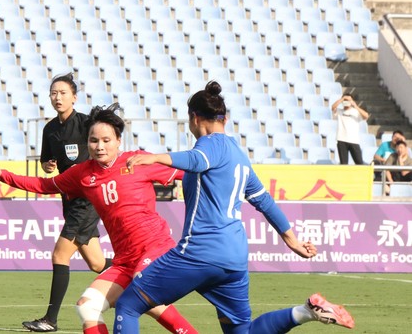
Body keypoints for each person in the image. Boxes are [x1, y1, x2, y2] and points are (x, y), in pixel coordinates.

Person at [114, 81, 355, 334]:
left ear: (194, 118)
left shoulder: (210, 144)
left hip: (200, 252)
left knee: (129, 305)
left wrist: (154, 157)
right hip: (234, 259)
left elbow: (197, 160)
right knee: (243, 332)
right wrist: (292, 241)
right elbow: (264, 201)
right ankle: (304, 312)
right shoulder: (238, 155)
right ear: (225, 119)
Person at [0, 104, 197, 334]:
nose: (99, 146)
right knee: (88, 308)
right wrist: (2, 176)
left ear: (118, 140)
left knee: (136, 297)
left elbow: (192, 173)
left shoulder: (139, 161)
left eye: (106, 140)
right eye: (93, 141)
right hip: (125, 259)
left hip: (155, 249)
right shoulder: (82, 173)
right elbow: (44, 185)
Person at [21, 73, 113, 332]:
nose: (57, 97)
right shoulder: (50, 129)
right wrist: (47, 164)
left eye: (63, 93)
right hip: (69, 201)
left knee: (60, 254)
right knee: (96, 263)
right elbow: (46, 161)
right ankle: (139, 271)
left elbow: (104, 146)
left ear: (74, 96)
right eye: (54, 93)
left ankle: (50, 320)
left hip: (87, 200)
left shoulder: (86, 124)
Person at [331, 93, 370, 165]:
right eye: (345, 100)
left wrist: (355, 105)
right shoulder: (339, 111)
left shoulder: (356, 112)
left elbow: (366, 116)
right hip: (341, 139)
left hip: (353, 140)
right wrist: (342, 99)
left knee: (359, 162)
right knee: (344, 163)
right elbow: (333, 107)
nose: (346, 102)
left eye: (348, 100)